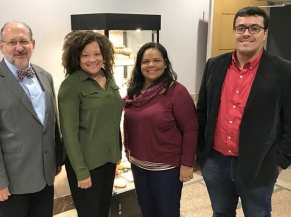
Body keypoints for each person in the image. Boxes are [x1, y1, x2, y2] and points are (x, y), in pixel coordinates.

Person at [196, 6, 291, 217]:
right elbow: (202, 110)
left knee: (258, 214)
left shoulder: (284, 70)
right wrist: (202, 155)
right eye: (241, 28)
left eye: (254, 28)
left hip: (259, 165)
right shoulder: (214, 65)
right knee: (221, 213)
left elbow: (289, 121)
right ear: (234, 32)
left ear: (265, 33)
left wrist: (280, 162)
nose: (246, 33)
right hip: (216, 162)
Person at [0, 21, 62, 217]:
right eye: (12, 42)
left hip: (45, 178)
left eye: (24, 41)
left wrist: (56, 161)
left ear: (33, 44)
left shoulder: (45, 76)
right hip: (11, 184)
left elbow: (51, 124)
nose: (19, 47)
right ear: (1, 46)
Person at [123, 42, 198, 217]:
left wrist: (187, 164)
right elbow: (129, 124)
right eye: (145, 61)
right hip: (139, 165)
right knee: (147, 211)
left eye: (156, 60)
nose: (151, 65)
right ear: (139, 65)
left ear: (165, 63)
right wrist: (127, 149)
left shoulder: (176, 92)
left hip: (166, 169)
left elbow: (191, 129)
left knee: (167, 212)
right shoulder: (134, 92)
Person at [58, 30, 123, 217]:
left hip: (108, 161)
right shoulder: (71, 86)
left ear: (104, 55)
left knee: (104, 210)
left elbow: (112, 119)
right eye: (85, 55)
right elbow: (69, 134)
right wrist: (81, 171)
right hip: (87, 165)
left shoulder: (108, 77)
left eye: (96, 54)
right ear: (76, 57)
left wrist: (116, 152)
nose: (91, 59)